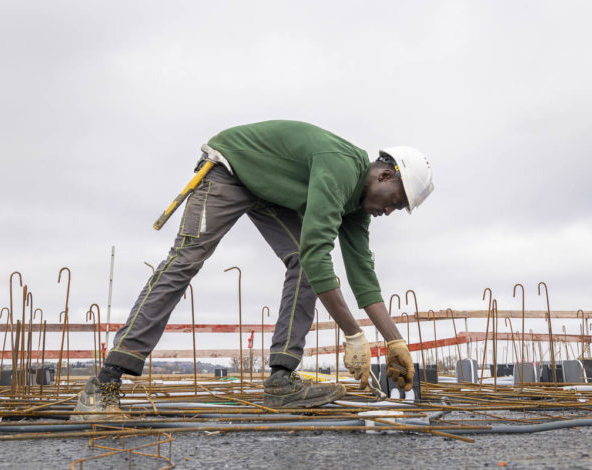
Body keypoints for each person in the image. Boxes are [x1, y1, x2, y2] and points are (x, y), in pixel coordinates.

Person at [72, 120, 434, 419]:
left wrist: (394, 341)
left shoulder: (358, 204)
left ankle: (281, 382)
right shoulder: (340, 166)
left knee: (306, 268)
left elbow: (362, 274)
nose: (389, 212)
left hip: (270, 191)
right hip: (230, 168)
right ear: (385, 175)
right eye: (396, 202)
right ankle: (104, 385)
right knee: (185, 261)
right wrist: (354, 335)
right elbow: (317, 251)